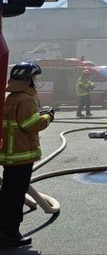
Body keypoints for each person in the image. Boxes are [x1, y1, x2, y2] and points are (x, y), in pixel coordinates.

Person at [0, 62, 54, 248]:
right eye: (34, 78)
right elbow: (31, 125)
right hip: (21, 156)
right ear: (27, 80)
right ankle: (10, 235)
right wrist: (48, 117)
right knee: (14, 198)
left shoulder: (12, 97)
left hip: (11, 156)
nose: (35, 82)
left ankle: (4, 231)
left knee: (7, 195)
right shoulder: (24, 99)